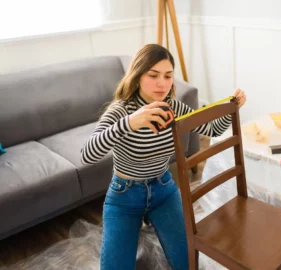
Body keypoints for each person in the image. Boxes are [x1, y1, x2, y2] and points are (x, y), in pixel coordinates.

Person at [80, 43, 246, 270]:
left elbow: (212, 130)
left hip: (163, 189)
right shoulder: (121, 110)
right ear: (138, 75)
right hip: (124, 196)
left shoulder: (172, 107)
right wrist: (130, 123)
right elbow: (87, 155)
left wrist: (232, 107)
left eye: (168, 76)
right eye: (153, 75)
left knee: (187, 262)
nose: (162, 83)